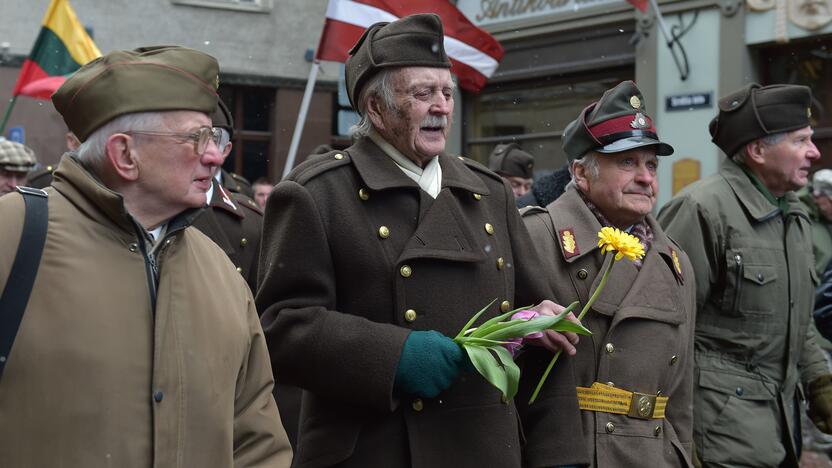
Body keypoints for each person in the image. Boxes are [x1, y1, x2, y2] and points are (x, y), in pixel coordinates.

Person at [256, 14, 587, 468]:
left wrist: (557, 454)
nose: (442, 106)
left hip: (485, 449)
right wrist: (395, 357)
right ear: (375, 109)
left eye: (447, 93)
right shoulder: (317, 194)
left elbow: (537, 330)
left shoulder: (488, 193)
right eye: (422, 93)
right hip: (380, 451)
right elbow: (280, 329)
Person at [0, 45, 291, 467]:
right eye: (196, 138)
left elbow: (257, 440)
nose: (215, 155)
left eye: (216, 138)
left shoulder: (221, 270)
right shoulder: (13, 234)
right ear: (125, 155)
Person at [521, 81, 695, 467]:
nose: (646, 177)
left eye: (651, 164)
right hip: (574, 450)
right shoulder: (535, 236)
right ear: (581, 173)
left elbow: (680, 396)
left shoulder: (675, 260)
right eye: (627, 162)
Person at [658, 83, 832, 467]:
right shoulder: (701, 209)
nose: (814, 152)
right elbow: (665, 328)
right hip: (716, 435)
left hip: (777, 428)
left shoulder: (793, 213)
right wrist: (676, 437)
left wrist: (819, 381)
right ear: (757, 150)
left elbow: (796, 319)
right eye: (801, 140)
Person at [191, 98, 264, 292]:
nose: (209, 154)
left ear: (226, 150)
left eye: (215, 140)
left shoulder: (251, 222)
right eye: (194, 139)